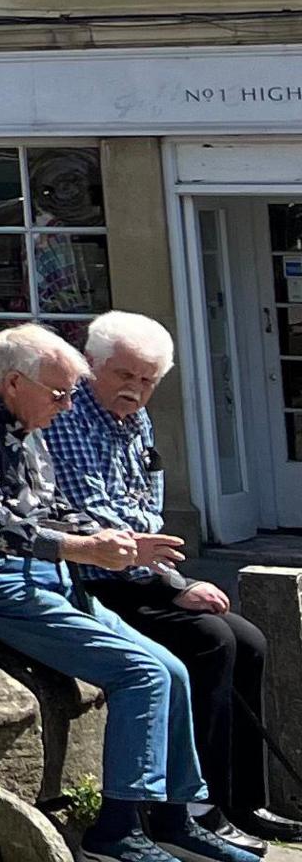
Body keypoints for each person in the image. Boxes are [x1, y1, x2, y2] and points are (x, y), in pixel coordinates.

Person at [0, 323, 257, 862]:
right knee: (138, 672)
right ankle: (116, 830)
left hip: (40, 576)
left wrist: (119, 544)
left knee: (172, 669)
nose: (70, 404)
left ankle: (174, 817)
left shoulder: (31, 418)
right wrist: (82, 549)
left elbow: (49, 506)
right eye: (60, 392)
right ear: (13, 382)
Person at [48, 313, 302, 844]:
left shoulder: (136, 421)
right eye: (124, 376)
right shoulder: (71, 418)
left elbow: (149, 511)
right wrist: (173, 583)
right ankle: (196, 803)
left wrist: (172, 579)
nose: (135, 390)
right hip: (91, 573)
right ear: (93, 365)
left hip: (141, 568)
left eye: (147, 381)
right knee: (209, 641)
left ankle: (240, 800)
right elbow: (100, 519)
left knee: (248, 639)